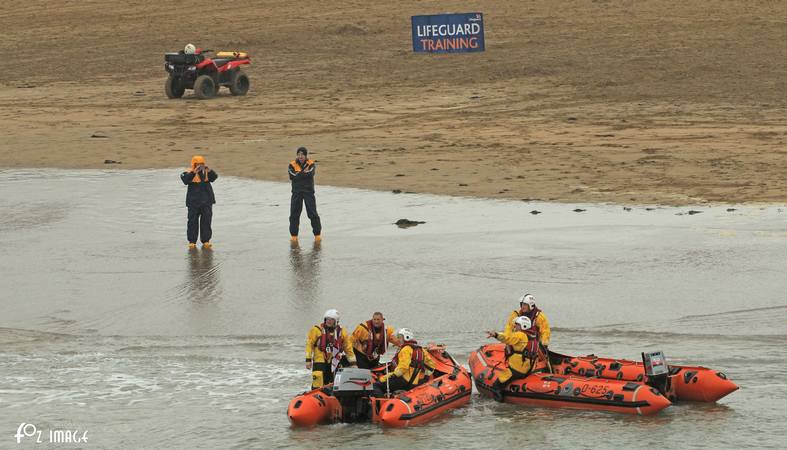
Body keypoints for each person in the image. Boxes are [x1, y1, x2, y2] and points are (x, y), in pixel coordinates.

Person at [486, 316, 538, 400]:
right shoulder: (533, 336)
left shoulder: (520, 335)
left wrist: (496, 335)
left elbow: (507, 338)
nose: (515, 326)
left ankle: (498, 408)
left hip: (516, 370)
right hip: (528, 370)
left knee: (496, 386)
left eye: (517, 325)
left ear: (523, 326)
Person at [305, 309, 356, 389]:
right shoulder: (316, 330)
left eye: (331, 320)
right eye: (327, 319)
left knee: (334, 382)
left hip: (334, 360)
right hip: (320, 360)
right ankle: (316, 395)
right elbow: (309, 345)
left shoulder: (342, 332)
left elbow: (348, 349)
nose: (329, 321)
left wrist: (353, 363)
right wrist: (308, 360)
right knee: (317, 382)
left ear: (336, 321)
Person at [378, 328, 436, 393]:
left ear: (406, 337)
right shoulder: (422, 350)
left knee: (377, 384)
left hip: (403, 381)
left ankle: (380, 401)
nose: (398, 339)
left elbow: (403, 368)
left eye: (400, 337)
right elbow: (431, 366)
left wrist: (390, 376)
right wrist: (423, 378)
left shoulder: (405, 350)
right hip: (415, 383)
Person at [180, 155, 218, 249]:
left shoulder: (206, 172)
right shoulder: (188, 172)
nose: (200, 166)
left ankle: (206, 241)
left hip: (207, 202)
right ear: (193, 164)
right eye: (198, 164)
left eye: (201, 164)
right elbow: (185, 180)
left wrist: (209, 170)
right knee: (192, 222)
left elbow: (214, 177)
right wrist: (193, 172)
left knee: (206, 222)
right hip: (193, 203)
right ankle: (192, 241)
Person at [288, 147, 322, 243]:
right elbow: (292, 176)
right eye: (298, 154)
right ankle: (294, 236)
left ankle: (317, 235)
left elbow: (310, 174)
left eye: (302, 155)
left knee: (312, 213)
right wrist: (303, 173)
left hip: (308, 192)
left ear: (306, 156)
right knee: (294, 214)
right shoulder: (292, 164)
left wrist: (299, 174)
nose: (300, 156)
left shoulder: (311, 164)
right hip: (296, 193)